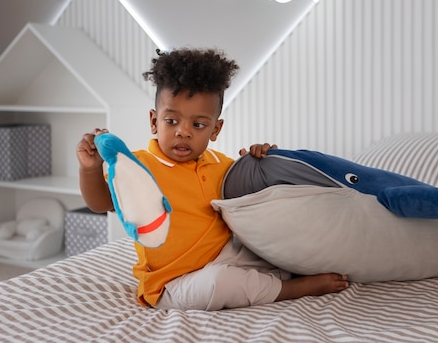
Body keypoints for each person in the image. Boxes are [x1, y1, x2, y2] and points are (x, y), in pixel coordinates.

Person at [76, 48, 348, 310]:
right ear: (153, 121)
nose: (183, 132)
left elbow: (257, 200)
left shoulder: (223, 165)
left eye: (198, 125)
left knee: (277, 244)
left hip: (230, 256)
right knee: (220, 283)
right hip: (175, 282)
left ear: (215, 129)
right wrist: (90, 169)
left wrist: (260, 161)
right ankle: (292, 290)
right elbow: (101, 204)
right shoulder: (136, 166)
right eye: (171, 121)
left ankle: (291, 271)